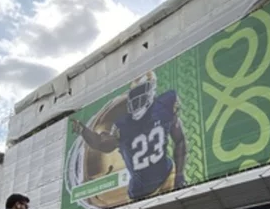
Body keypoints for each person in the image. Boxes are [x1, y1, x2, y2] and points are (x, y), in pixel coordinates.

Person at [71, 71, 188, 201]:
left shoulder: (164, 107)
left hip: (168, 177)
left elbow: (180, 140)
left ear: (152, 90)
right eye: (135, 94)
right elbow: (101, 143)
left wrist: (179, 174)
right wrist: (84, 131)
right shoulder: (123, 125)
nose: (137, 98)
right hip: (140, 193)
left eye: (141, 91)